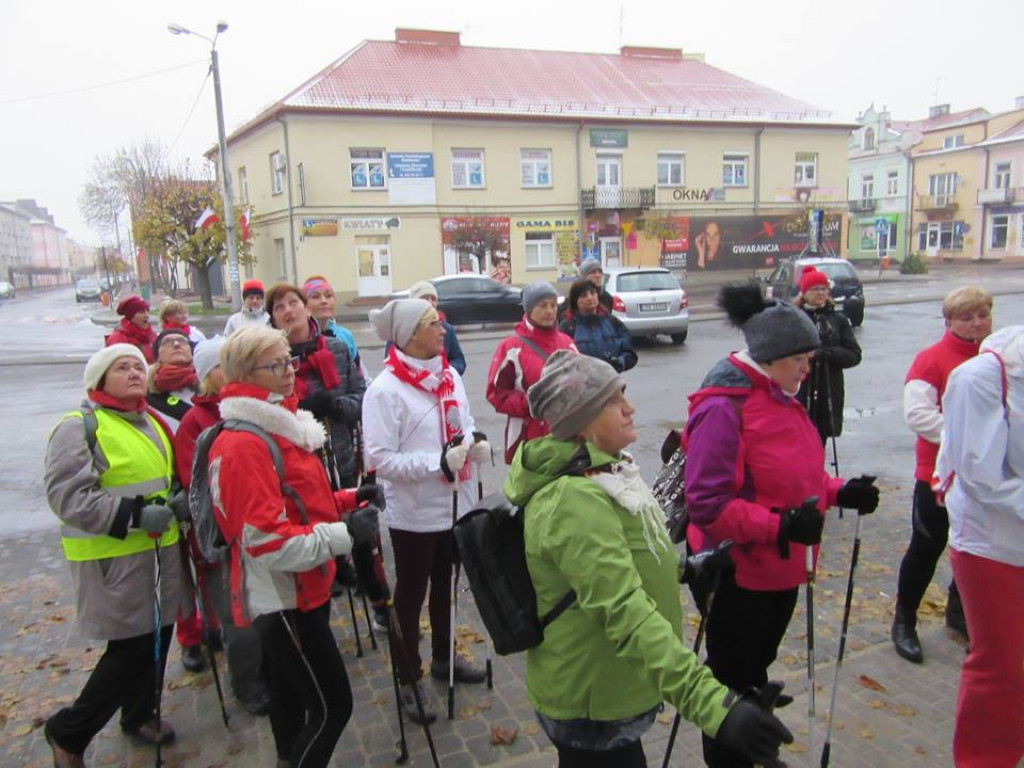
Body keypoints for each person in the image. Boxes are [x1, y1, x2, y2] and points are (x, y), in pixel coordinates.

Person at [505, 350, 795, 768]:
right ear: (580, 422)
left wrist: (687, 567)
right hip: (592, 699)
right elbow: (625, 611)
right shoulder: (574, 498)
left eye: (623, 394)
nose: (630, 407)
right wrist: (716, 707)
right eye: (612, 401)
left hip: (609, 684)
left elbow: (616, 560)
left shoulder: (604, 471)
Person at [685, 283, 879, 768]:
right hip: (739, 571)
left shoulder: (780, 394)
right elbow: (707, 503)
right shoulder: (725, 407)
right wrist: (780, 526)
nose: (809, 367)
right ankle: (731, 757)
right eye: (801, 359)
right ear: (771, 357)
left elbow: (797, 476)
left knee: (756, 664)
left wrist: (839, 492)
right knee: (729, 677)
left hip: (785, 565)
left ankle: (757, 727)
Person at [208, 324, 379, 768]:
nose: (290, 371)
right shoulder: (245, 442)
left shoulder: (279, 423)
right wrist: (347, 534)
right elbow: (270, 543)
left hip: (307, 588)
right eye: (277, 364)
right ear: (247, 373)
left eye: (290, 360)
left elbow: (301, 501)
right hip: (284, 598)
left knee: (289, 701)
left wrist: (349, 499)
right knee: (332, 708)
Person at [43, 344, 188, 767]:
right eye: (121, 367)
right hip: (113, 562)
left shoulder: (151, 421)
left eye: (137, 367)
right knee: (131, 651)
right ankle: (69, 731)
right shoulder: (80, 426)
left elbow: (162, 479)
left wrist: (176, 498)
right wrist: (136, 514)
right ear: (98, 381)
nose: (133, 373)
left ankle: (139, 714)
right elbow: (68, 497)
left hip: (158, 555)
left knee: (158, 637)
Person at [363, 299, 491, 724]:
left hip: (455, 502)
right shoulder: (384, 390)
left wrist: (474, 441)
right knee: (411, 594)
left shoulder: (448, 373)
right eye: (432, 324)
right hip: (414, 513)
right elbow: (380, 460)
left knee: (446, 585)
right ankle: (408, 677)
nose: (442, 329)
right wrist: (435, 463)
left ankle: (443, 657)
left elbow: (464, 420)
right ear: (409, 335)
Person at [934, 325, 1024, 768]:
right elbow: (980, 476)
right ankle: (984, 760)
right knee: (1003, 666)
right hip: (994, 547)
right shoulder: (980, 378)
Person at [892, 286, 994, 663]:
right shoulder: (931, 360)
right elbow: (918, 415)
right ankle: (904, 620)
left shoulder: (1000, 358)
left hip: (985, 478)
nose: (977, 324)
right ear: (949, 321)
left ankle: (959, 612)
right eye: (966, 317)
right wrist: (965, 441)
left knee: (974, 548)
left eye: (982, 315)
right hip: (937, 475)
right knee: (926, 547)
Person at [172, 337, 271, 717]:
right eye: (221, 366)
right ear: (206, 376)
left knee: (264, 610)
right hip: (224, 539)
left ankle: (267, 669)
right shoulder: (195, 422)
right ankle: (247, 684)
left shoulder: (253, 408)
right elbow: (197, 483)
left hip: (260, 530)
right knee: (238, 618)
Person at [266, 283, 365, 486]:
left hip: (340, 458)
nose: (288, 310)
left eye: (293, 302)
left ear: (307, 308)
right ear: (274, 320)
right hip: (295, 466)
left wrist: (337, 406)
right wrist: (299, 408)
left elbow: (362, 396)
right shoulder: (268, 358)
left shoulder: (337, 348)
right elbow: (265, 409)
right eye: (279, 307)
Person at [486, 281, 576, 464]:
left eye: (553, 305)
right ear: (528, 309)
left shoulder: (567, 343)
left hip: (565, 433)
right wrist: (532, 402)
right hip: (528, 436)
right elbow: (496, 394)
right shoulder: (511, 348)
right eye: (542, 305)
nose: (550, 311)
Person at [793, 266, 862, 444]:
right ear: (804, 292)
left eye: (823, 289)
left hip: (828, 390)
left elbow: (854, 355)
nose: (820, 293)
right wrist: (807, 355)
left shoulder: (838, 320)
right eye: (815, 289)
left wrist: (831, 354)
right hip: (800, 389)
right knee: (798, 438)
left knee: (819, 441)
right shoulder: (794, 318)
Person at [558, 279, 637, 373]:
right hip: (582, 384)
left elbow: (630, 354)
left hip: (611, 382)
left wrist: (619, 362)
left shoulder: (612, 321)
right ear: (576, 301)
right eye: (584, 295)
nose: (590, 298)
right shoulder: (568, 327)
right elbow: (561, 361)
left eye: (593, 293)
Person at [146, 329, 199, 437]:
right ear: (158, 356)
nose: (176, 344)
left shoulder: (210, 385)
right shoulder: (146, 395)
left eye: (182, 341)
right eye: (167, 342)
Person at [407, 279, 466, 375]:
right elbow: (390, 364)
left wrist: (446, 370)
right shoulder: (402, 331)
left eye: (433, 299)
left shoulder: (447, 330)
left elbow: (459, 360)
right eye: (425, 298)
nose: (430, 302)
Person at [302, 275, 361, 369]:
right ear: (304, 304)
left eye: (328, 296)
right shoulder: (301, 338)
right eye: (315, 297)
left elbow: (359, 373)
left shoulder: (345, 335)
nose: (324, 301)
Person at [107, 295, 158, 363]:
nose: (146, 315)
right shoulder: (118, 338)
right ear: (130, 316)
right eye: (141, 312)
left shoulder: (152, 335)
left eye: (147, 311)